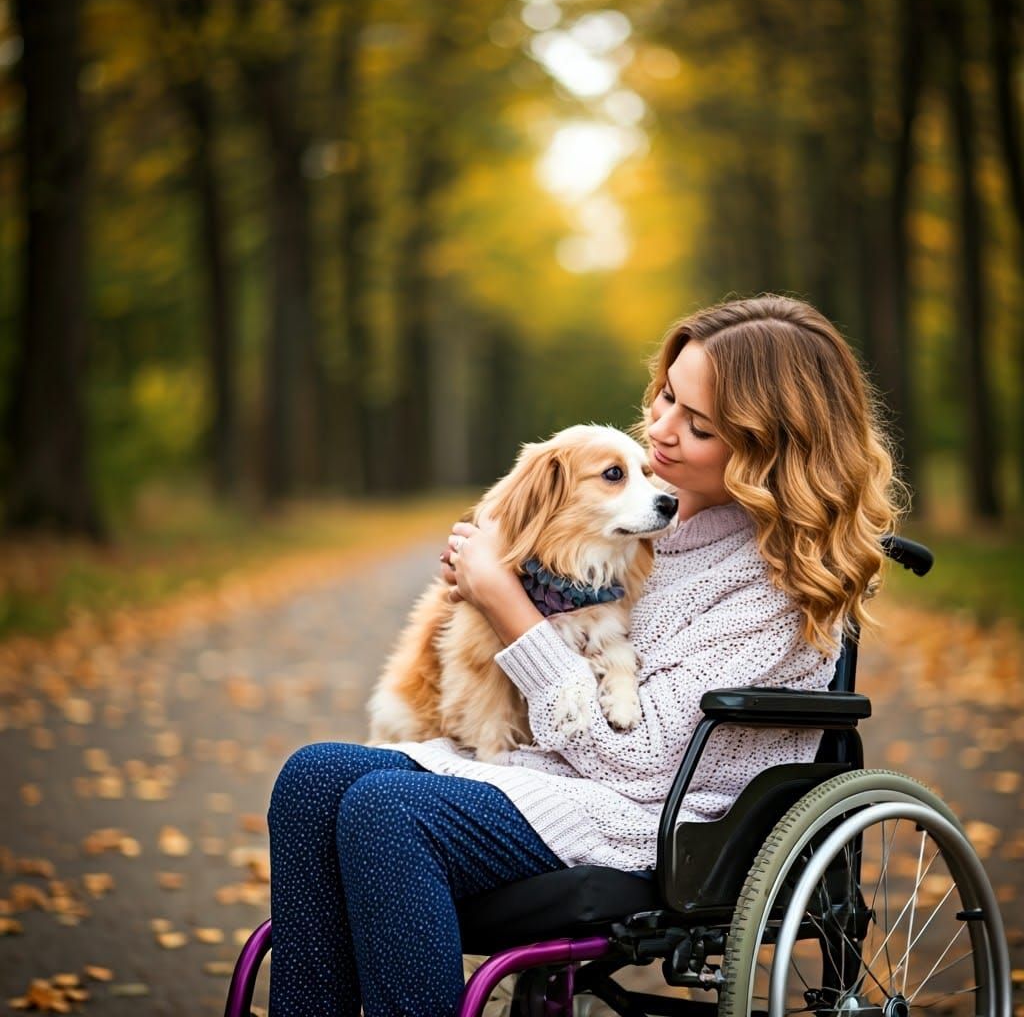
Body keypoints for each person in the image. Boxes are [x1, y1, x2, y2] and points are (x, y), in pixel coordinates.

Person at [266, 294, 905, 1017]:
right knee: (312, 777)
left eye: (696, 426)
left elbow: (638, 761)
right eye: (666, 396)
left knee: (387, 811)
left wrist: (510, 607)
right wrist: (487, 578)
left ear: (766, 451)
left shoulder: (776, 593)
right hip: (558, 775)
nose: (660, 431)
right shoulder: (649, 519)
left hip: (658, 816)